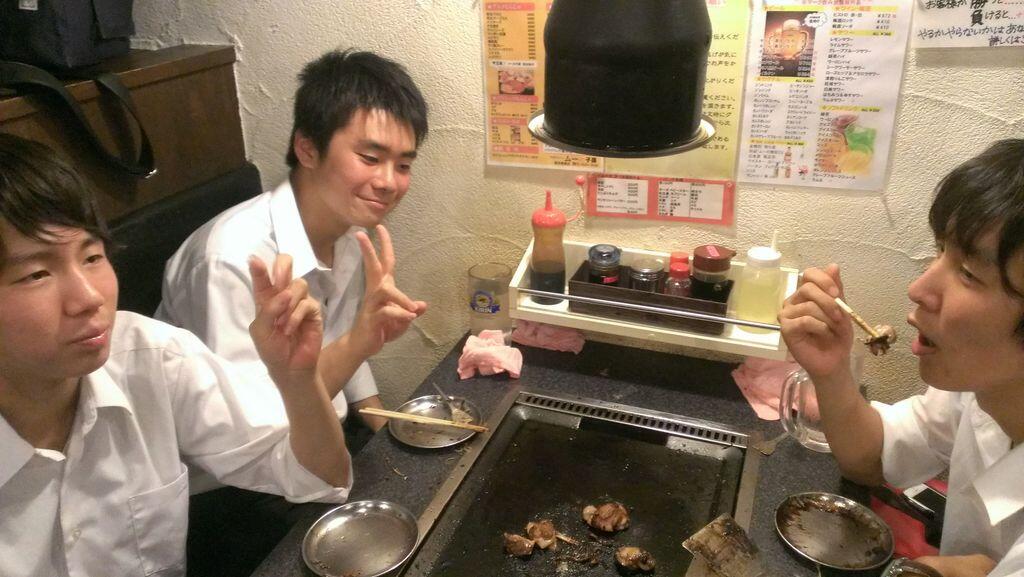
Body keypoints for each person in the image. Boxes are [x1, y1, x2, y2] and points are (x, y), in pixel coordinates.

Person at [0, 133, 350, 577]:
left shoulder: (151, 357)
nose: (89, 297)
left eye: (91, 257)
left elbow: (318, 477)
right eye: (36, 273)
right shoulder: (227, 254)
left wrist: (296, 379)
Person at [779, 138, 1024, 577]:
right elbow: (872, 459)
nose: (919, 289)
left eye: (969, 273)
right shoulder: (982, 391)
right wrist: (832, 371)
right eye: (941, 251)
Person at [158, 48, 428, 436]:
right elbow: (251, 429)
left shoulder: (348, 234)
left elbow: (337, 341)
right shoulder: (232, 259)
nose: (389, 182)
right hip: (237, 462)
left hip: (315, 437)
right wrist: (358, 342)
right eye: (370, 158)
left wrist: (385, 429)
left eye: (403, 165)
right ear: (308, 149)